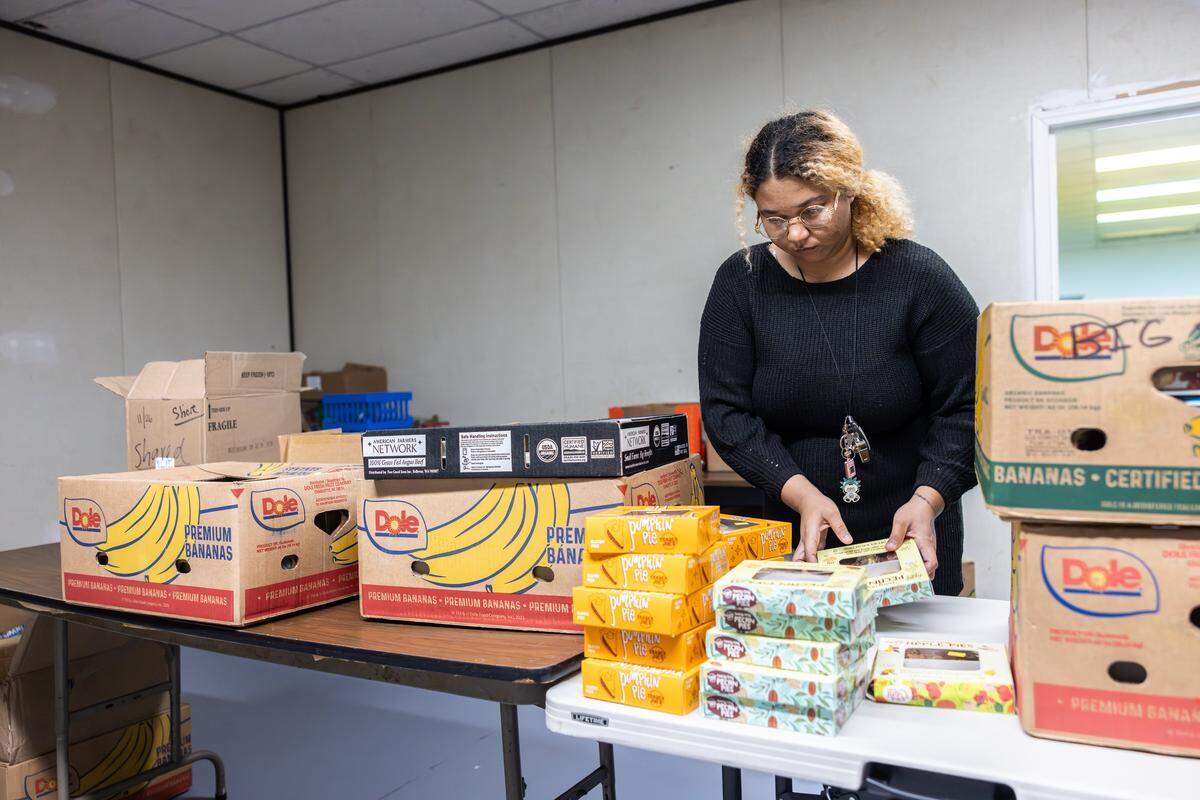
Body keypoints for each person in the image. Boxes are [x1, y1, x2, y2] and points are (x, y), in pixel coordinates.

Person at [698, 110, 977, 595]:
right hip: (799, 535)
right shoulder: (742, 283)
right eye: (774, 219)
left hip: (911, 535)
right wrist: (801, 494)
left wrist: (929, 499)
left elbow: (968, 407)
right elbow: (727, 414)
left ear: (849, 190)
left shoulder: (918, 278)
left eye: (812, 211)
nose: (795, 233)